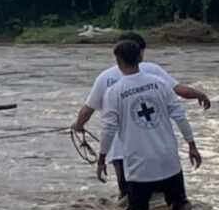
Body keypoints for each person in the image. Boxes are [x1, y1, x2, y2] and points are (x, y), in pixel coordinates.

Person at [70, 32, 209, 199]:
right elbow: (178, 100)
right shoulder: (156, 76)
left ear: (117, 57)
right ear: (140, 53)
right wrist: (199, 95)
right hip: (161, 150)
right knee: (171, 201)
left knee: (130, 201)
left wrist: (79, 126)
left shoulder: (107, 81)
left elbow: (90, 112)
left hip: (123, 154)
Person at [97, 40, 202, 210]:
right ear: (140, 57)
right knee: (180, 208)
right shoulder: (160, 83)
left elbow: (108, 129)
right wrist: (192, 145)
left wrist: (101, 158)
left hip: (139, 167)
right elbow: (180, 116)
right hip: (169, 161)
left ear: (118, 61)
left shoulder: (114, 92)